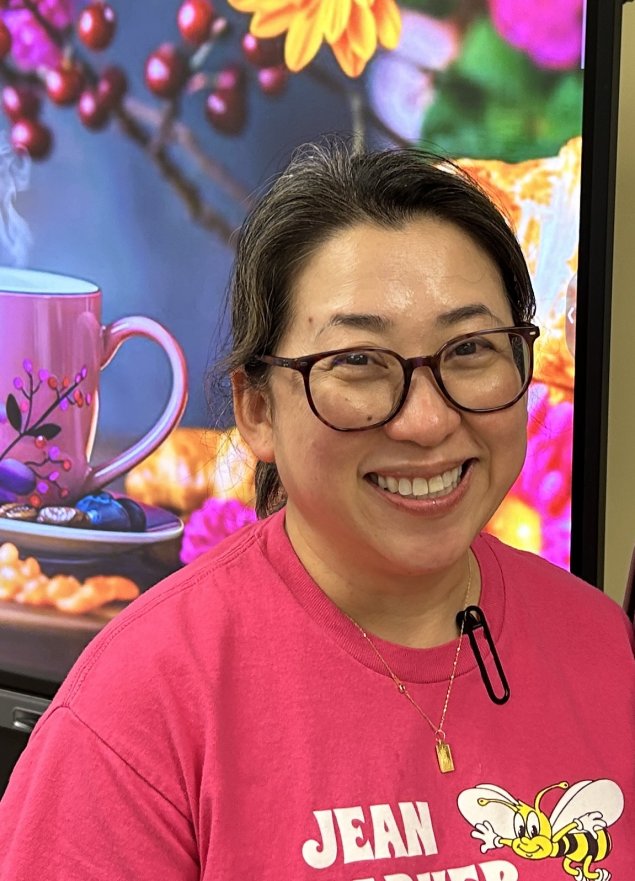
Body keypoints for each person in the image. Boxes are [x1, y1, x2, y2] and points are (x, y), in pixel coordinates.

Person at [0, 142, 633, 881]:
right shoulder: (139, 706)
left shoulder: (599, 642)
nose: (425, 421)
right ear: (257, 408)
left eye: (469, 348)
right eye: (357, 361)